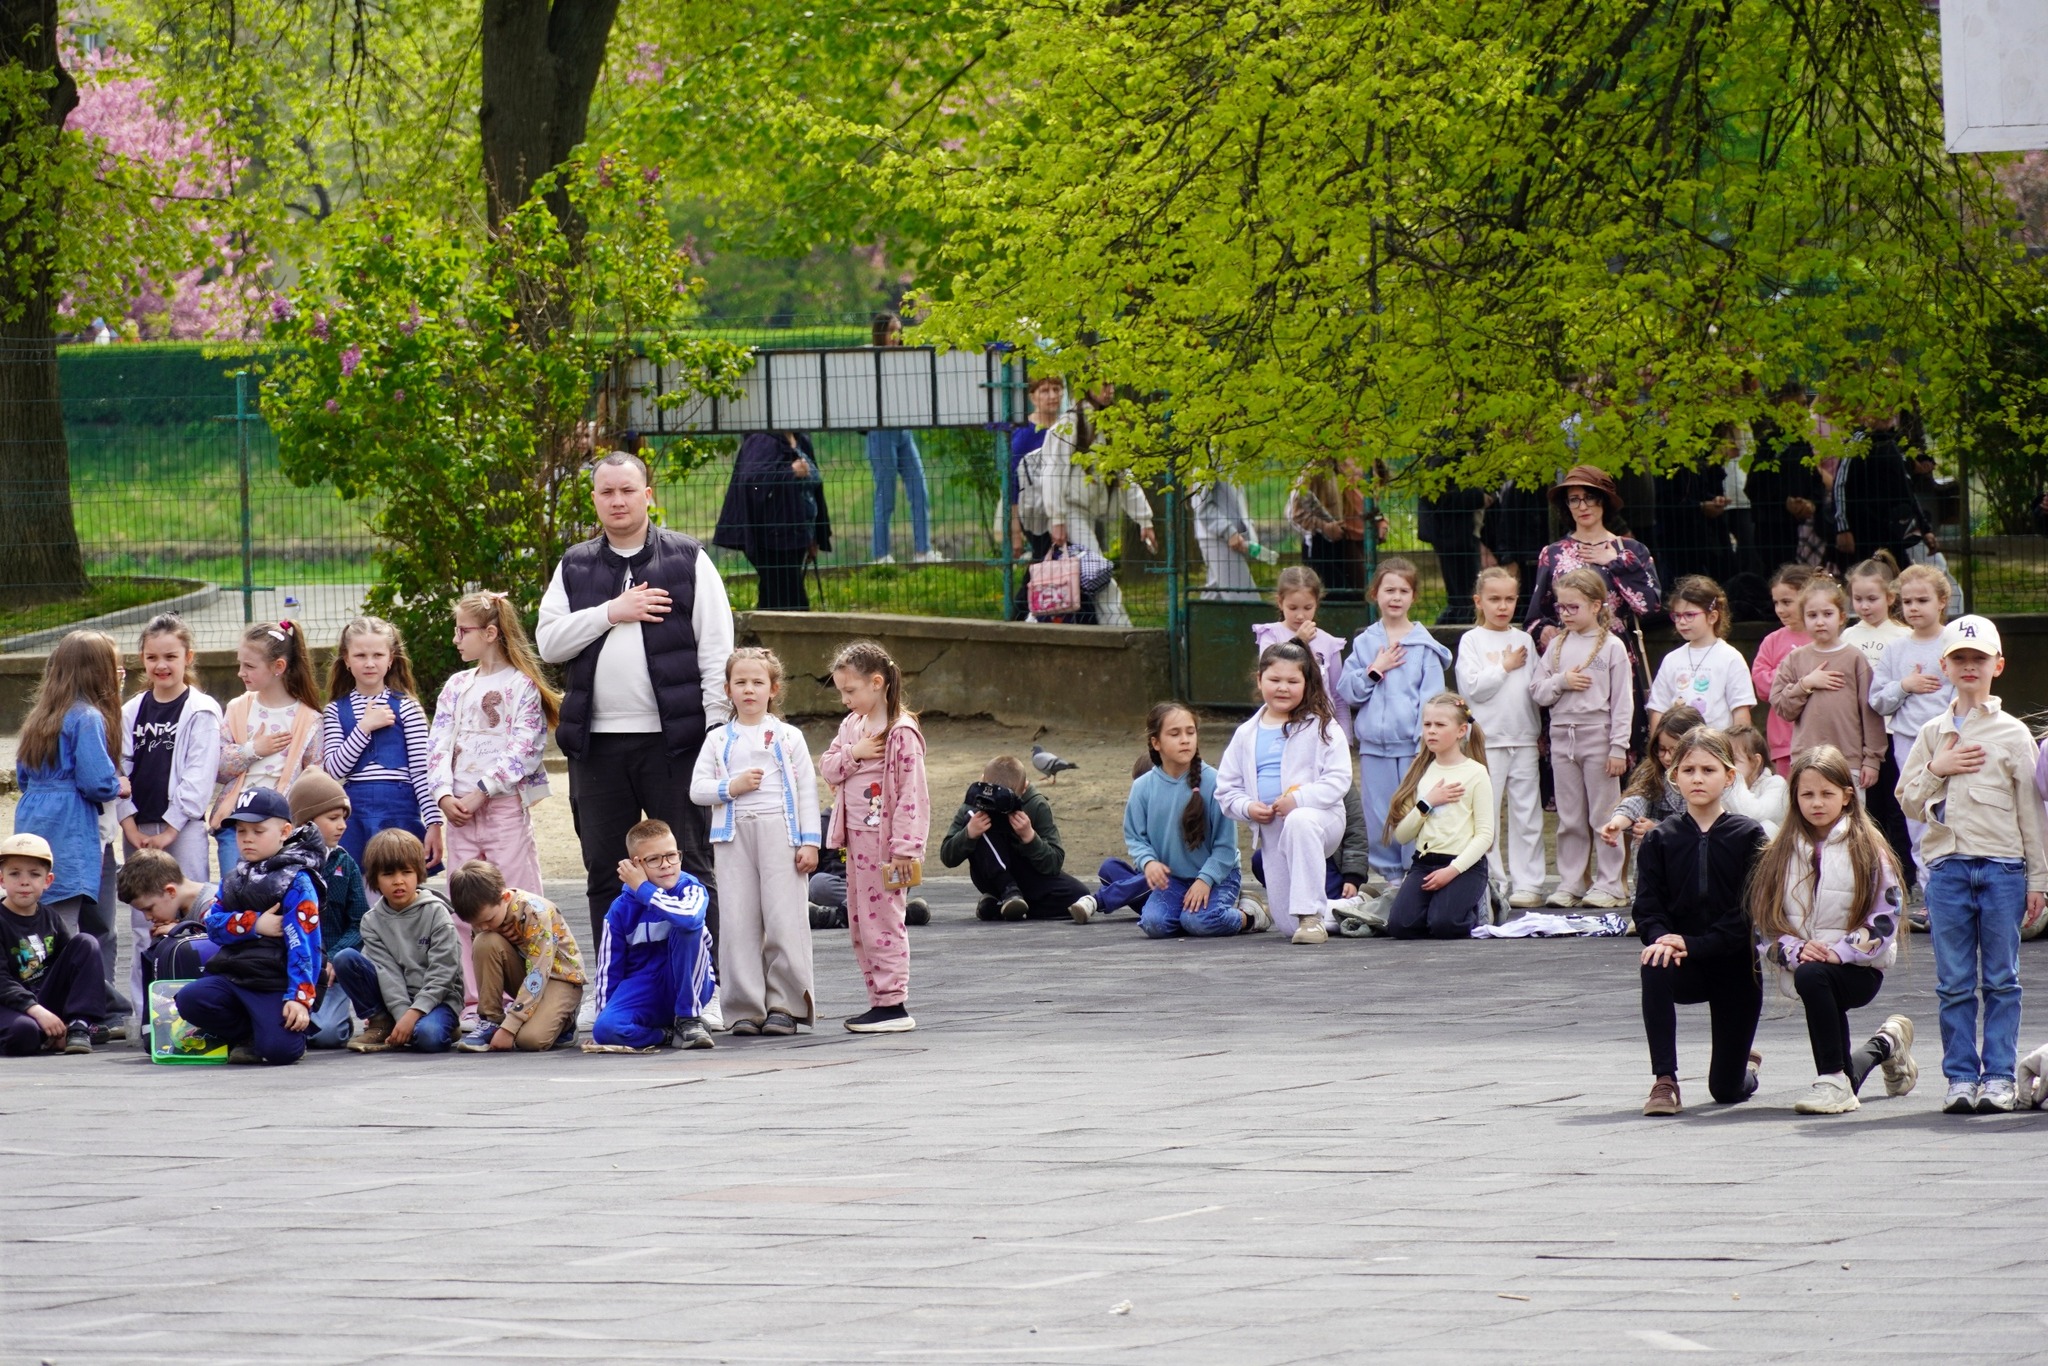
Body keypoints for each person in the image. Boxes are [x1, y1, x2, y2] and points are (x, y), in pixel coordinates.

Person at [536, 449, 735, 954]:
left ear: (648, 496)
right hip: (596, 746)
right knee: (606, 871)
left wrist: (715, 730)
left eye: (628, 491)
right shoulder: (575, 565)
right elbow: (550, 643)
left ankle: (702, 990)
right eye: (607, 492)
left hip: (677, 744)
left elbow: (717, 650)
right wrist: (612, 611)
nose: (617, 501)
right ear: (595, 500)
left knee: (688, 865)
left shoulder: (688, 558)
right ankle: (615, 987)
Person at [1896, 615, 2048, 1114]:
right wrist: (1937, 769)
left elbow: (2032, 811)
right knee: (1954, 981)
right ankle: (1961, 1075)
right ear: (1944, 666)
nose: (1968, 666)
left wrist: (2038, 880)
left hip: (2003, 869)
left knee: (2002, 979)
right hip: (1948, 870)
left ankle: (2000, 1075)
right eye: (1959, 658)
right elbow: (1908, 802)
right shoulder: (1930, 733)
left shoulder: (2013, 734)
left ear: (1997, 666)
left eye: (1978, 659)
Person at [1753, 746, 1917, 1113]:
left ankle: (1831, 1080)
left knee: (1815, 978)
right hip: (1807, 964)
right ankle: (1884, 1045)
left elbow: (1886, 915)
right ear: (1794, 797)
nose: (1817, 803)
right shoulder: (1779, 851)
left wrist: (1839, 950)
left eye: (1827, 793)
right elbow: (1764, 922)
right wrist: (1795, 949)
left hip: (1858, 968)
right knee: (1812, 977)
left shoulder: (1870, 848)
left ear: (1846, 796)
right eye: (1807, 794)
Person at [1634, 728, 1769, 1116]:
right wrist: (1662, 938)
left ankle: (1745, 1066)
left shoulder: (1749, 835)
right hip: (1683, 962)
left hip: (1735, 968)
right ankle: (1665, 1080)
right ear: (1674, 776)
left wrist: (1694, 943)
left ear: (1729, 777)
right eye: (1688, 769)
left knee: (1725, 1091)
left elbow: (1748, 912)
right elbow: (1648, 907)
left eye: (1708, 769)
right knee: (1653, 961)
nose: (1697, 778)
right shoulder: (1661, 838)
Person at [689, 648, 820, 1036]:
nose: (749, 690)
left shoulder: (788, 736)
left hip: (781, 832)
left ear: (773, 689)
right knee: (738, 919)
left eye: (757, 682)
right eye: (741, 683)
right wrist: (731, 787)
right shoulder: (716, 740)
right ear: (727, 689)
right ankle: (744, 1006)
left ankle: (785, 1003)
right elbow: (697, 789)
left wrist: (809, 842)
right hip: (732, 837)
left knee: (785, 917)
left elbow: (807, 790)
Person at [12, 630, 125, 1024]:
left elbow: (23, 777)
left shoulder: (38, 717)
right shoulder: (87, 717)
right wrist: (119, 784)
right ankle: (83, 1013)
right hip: (72, 825)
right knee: (69, 926)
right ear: (98, 672)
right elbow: (96, 781)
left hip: (33, 818)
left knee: (47, 917)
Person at [819, 641, 929, 1033]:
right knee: (861, 923)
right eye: (842, 692)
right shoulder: (853, 727)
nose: (845, 699)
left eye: (850, 691)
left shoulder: (901, 733)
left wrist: (905, 850)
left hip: (884, 848)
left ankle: (893, 1002)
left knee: (883, 920)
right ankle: (878, 1001)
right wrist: (856, 753)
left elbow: (911, 796)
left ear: (877, 683)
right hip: (856, 842)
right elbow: (828, 767)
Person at [173, 788, 325, 1066]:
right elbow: (213, 925)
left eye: (258, 831)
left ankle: (273, 1032)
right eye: (241, 831)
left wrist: (299, 998)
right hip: (234, 976)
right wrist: (255, 923)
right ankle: (248, 1034)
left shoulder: (297, 879)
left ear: (285, 831)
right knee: (189, 999)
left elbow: (305, 943)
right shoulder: (234, 878)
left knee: (280, 1051)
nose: (247, 839)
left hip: (274, 982)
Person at [1217, 641, 1353, 945]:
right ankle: (1349, 908)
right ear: (1259, 680)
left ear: (1306, 684)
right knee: (1288, 926)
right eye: (1274, 680)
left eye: (1293, 681)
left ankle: (1310, 917)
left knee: (1300, 820)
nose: (1283, 688)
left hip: (1321, 820)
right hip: (1272, 829)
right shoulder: (1246, 734)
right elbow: (1226, 789)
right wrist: (1248, 808)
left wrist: (1299, 800)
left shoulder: (1323, 727)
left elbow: (1339, 779)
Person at [428, 589, 558, 899]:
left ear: (490, 633)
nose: (455, 639)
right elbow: (438, 745)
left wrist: (483, 792)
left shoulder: (520, 685)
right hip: (459, 811)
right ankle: (466, 951)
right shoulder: (457, 685)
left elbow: (525, 748)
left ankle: (523, 951)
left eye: (463, 630)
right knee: (464, 902)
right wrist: (444, 795)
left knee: (517, 898)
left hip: (503, 810)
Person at [1524, 465, 1661, 752]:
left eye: (1590, 497)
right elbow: (1535, 617)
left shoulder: (1632, 550)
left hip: (1616, 653)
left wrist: (1615, 561)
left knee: (1624, 739)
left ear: (1605, 501)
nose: (1582, 506)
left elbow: (1650, 606)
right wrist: (1546, 631)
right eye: (1574, 499)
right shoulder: (1553, 553)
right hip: (1568, 655)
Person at [1336, 558, 1452, 887]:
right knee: (1379, 815)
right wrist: (1375, 668)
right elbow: (1348, 691)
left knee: (1416, 809)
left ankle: (1416, 873)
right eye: (1389, 590)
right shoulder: (1364, 643)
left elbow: (1432, 701)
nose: (1396, 597)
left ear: (1414, 596)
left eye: (1403, 590)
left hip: (1413, 749)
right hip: (1374, 749)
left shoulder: (1425, 647)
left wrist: (1424, 744)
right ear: (1375, 594)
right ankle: (1390, 879)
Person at [1530, 568, 1633, 910]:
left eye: (1573, 607)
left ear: (1596, 605)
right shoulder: (1557, 645)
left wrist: (1618, 746)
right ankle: (1573, 881)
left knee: (1604, 815)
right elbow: (1537, 691)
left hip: (1598, 737)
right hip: (1562, 738)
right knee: (1570, 816)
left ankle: (1610, 884)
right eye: (1561, 607)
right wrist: (1561, 681)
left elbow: (1622, 702)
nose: (1566, 614)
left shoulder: (1612, 646)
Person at [1117, 704, 1265, 938]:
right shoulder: (1142, 787)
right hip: (1173, 880)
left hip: (1217, 877)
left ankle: (1250, 914)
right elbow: (1135, 837)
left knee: (1201, 922)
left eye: (1190, 732)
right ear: (1156, 743)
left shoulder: (1216, 782)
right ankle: (1186, 914)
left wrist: (1205, 881)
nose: (1185, 740)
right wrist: (1148, 863)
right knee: (1154, 924)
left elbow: (1225, 848)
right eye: (1174, 734)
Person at [319, 616, 441, 870]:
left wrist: (434, 823)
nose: (370, 663)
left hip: (400, 812)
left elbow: (421, 772)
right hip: (355, 815)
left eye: (377, 655)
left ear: (391, 659)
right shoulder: (334, 711)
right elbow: (333, 770)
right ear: (346, 660)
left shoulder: (408, 707)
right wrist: (364, 727)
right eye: (361, 655)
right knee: (357, 889)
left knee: (400, 882)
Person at [1455, 568, 1545, 908]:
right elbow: (1474, 688)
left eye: (1509, 599)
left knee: (1527, 812)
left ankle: (1529, 882)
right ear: (1479, 601)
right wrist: (1504, 666)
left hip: (1523, 738)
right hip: (1486, 740)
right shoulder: (1471, 640)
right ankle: (1492, 880)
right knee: (1486, 814)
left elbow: (1533, 687)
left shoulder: (1523, 640)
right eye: (1494, 599)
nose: (1502, 606)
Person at [211, 620, 324, 881]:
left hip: (283, 829)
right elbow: (218, 767)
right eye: (240, 663)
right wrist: (253, 749)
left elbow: (316, 778)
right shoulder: (238, 708)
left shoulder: (308, 720)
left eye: (249, 666)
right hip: (237, 823)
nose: (241, 672)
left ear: (278, 667)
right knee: (234, 892)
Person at [1036, 383, 1157, 627]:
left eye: (1113, 383)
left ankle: (1034, 622)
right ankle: (1122, 632)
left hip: (1085, 514)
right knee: (1101, 576)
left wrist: (1144, 519)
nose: (1110, 389)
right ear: (1087, 386)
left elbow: (1124, 475)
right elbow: (1053, 472)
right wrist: (1057, 518)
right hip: (1071, 512)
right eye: (1103, 383)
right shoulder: (1069, 424)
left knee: (1073, 578)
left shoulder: (1110, 422)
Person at [333, 829, 464, 1054]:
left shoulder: (436, 913)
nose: (398, 881)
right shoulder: (371, 921)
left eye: (406, 872)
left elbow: (444, 972)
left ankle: (441, 1026)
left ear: (419, 873)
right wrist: (403, 1014)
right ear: (374, 878)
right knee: (345, 958)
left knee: (428, 1037)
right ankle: (382, 1022)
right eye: (388, 874)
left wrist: (415, 1014)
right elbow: (387, 972)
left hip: (437, 999)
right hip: (394, 998)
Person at [1869, 564, 1953, 905]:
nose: (1914, 608)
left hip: (1949, 741)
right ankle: (1930, 894)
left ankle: (1954, 891)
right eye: (1907, 601)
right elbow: (1877, 700)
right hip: (1908, 743)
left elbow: (1965, 690)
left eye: (1922, 600)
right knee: (1917, 816)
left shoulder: (1954, 641)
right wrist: (1905, 685)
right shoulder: (1895, 650)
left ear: (1942, 601)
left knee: (1951, 813)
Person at [592, 820, 717, 1050]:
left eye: (672, 855)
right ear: (634, 865)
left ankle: (689, 1019)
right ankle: (667, 1034)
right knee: (605, 1029)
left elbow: (690, 918)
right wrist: (604, 1014)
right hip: (644, 988)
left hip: (687, 984)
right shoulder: (619, 910)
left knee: (688, 927)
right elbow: (608, 969)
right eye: (653, 859)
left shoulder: (690, 888)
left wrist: (644, 889)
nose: (666, 865)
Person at [117, 613, 219, 885]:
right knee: (144, 908)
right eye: (152, 658)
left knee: (187, 903)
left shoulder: (202, 711)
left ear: (188, 657)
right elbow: (119, 770)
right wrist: (129, 826)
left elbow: (198, 776)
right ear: (142, 659)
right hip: (138, 827)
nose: (161, 665)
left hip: (182, 827)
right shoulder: (129, 711)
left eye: (170, 657)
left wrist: (170, 831)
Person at [1384, 695, 1495, 939]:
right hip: (1424, 863)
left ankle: (1481, 903)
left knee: (1445, 925)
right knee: (1401, 927)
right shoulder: (1420, 771)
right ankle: (1437, 905)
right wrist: (1427, 803)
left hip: (1463, 866)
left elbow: (1485, 835)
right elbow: (1402, 836)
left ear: (1461, 731)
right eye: (1427, 725)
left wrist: (1452, 870)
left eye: (1440, 725)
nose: (1431, 731)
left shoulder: (1476, 773)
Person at [450, 860, 586, 1053]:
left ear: (505, 897)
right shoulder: (484, 918)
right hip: (525, 977)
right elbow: (487, 959)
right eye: (478, 923)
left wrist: (511, 1026)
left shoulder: (535, 913)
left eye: (489, 920)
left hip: (560, 978)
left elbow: (538, 972)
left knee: (530, 1040)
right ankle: (490, 1021)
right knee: (485, 942)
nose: (485, 927)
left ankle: (565, 1020)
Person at [1841, 559, 1917, 898]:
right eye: (1858, 598)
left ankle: (1903, 876)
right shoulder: (1847, 637)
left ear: (1890, 597)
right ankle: (1869, 876)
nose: (1865, 606)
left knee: (1897, 806)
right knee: (1865, 809)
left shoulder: (1903, 635)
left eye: (1872, 598)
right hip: (1858, 737)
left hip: (1894, 732)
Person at [940, 756, 1094, 923]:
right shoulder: (974, 804)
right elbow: (948, 857)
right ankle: (1007, 893)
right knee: (972, 818)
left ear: (1024, 788)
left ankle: (997, 908)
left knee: (1080, 897)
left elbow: (1054, 864)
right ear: (983, 782)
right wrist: (969, 834)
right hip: (992, 876)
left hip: (1027, 874)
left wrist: (1030, 837)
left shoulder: (1036, 805)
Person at [1768, 578, 1885, 792]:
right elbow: (1781, 707)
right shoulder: (1795, 659)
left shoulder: (1854, 658)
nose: (1820, 621)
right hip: (1806, 760)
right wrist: (1806, 684)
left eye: (1827, 614)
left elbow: (1871, 711)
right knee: (1810, 819)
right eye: (1812, 615)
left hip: (1848, 761)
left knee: (1849, 821)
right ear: (1803, 619)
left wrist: (1872, 758)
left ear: (1841, 617)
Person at [0, 833, 101, 1056]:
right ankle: (51, 1035)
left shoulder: (51, 918)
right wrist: (36, 1011)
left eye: (34, 874)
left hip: (44, 999)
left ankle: (78, 1026)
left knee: (86, 942)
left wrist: (117, 1009)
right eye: (14, 873)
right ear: (1, 879)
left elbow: (75, 965)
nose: (24, 881)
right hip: (9, 1003)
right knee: (23, 1034)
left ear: (48, 881)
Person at [288, 770, 369, 1049]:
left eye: (343, 818)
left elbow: (359, 922)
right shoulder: (283, 864)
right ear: (307, 821)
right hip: (291, 967)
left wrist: (335, 956)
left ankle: (337, 1018)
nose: (343, 826)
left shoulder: (345, 864)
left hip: (330, 971)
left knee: (327, 1035)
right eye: (333, 818)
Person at [714, 430, 822, 611]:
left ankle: (760, 637)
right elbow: (752, 482)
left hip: (797, 535)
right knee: (789, 599)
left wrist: (814, 536)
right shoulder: (761, 440)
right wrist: (790, 472)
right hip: (771, 538)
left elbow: (813, 492)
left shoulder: (801, 440)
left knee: (775, 595)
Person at [866, 312, 939, 565]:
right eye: (891, 331)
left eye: (900, 331)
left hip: (904, 431)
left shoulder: (907, 358)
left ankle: (922, 550)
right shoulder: (868, 359)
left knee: (919, 488)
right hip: (881, 432)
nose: (897, 337)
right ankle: (881, 555)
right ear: (880, 334)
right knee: (885, 496)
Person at [1646, 576, 1754, 732]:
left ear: (1712, 617)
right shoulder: (1671, 659)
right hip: (1677, 750)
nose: (1681, 622)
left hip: (1716, 749)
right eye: (1677, 615)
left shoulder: (1731, 658)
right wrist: (1659, 749)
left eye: (1689, 615)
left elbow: (1741, 711)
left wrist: (1738, 751)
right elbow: (1658, 707)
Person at [1254, 566, 1351, 734]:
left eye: (1307, 608)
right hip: (1281, 726)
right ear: (1280, 602)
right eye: (1293, 608)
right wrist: (1299, 641)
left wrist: (1345, 737)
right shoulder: (1270, 635)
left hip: (1321, 728)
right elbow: (1269, 667)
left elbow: (1338, 696)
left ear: (1316, 604)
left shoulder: (1328, 642)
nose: (1300, 615)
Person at [1600, 705, 1707, 850]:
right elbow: (1635, 801)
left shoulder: (1708, 780)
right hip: (1654, 865)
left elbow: (1704, 829)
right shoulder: (1652, 773)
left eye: (1674, 750)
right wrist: (1617, 823)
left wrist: (1659, 831)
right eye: (1662, 749)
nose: (1667, 758)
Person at [118, 847, 220, 993]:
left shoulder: (212, 905)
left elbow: (219, 951)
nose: (147, 917)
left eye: (149, 908)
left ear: (170, 891)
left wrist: (180, 935)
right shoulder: (174, 908)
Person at [1006, 375, 1065, 618]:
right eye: (1044, 391)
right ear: (1032, 397)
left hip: (1063, 508)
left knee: (1051, 563)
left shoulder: (1066, 428)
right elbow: (1012, 484)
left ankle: (1035, 614)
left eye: (1056, 389)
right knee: (1044, 561)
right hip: (1035, 514)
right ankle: (1020, 614)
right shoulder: (1024, 436)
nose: (1051, 396)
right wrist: (1015, 527)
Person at [1750, 564, 1817, 776]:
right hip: (1784, 740)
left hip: (1820, 736)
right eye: (1776, 602)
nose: (1779, 609)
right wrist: (1801, 681)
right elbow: (1762, 685)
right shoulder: (1772, 640)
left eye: (1787, 602)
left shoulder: (1822, 637)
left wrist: (1784, 678)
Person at [1289, 461, 1368, 603]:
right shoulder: (1312, 471)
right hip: (1318, 543)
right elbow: (1295, 513)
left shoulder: (1336, 468)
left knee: (1356, 597)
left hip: (1340, 540)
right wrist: (1324, 526)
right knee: (1332, 598)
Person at [1416, 477, 1487, 625]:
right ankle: (1457, 633)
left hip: (1463, 536)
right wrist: (1479, 497)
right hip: (1452, 538)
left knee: (1461, 597)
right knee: (1463, 598)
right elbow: (1442, 498)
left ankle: (1447, 630)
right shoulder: (1445, 460)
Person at [1191, 479, 1260, 602]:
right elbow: (1201, 504)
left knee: (1215, 594)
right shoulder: (1209, 461)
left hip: (1225, 536)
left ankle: (1196, 620)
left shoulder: (1232, 461)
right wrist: (1229, 532)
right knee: (1244, 598)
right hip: (1217, 537)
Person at [1721, 724, 1789, 837]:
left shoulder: (1776, 784)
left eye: (1733, 761)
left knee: (1766, 826)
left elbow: (1753, 817)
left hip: (1775, 851)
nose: (1727, 767)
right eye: (1723, 761)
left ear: (1756, 762)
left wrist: (1735, 779)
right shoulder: (1724, 788)